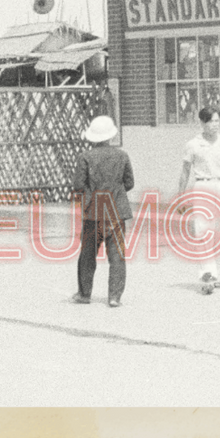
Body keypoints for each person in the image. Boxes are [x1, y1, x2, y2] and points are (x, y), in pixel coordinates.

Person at [177, 106, 220, 294]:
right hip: (202, 186)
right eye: (211, 121)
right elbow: (185, 171)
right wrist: (181, 195)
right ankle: (207, 273)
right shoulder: (193, 144)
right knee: (202, 230)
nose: (215, 125)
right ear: (202, 123)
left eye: (217, 121)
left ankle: (215, 273)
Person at [72, 115, 135, 307]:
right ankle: (114, 296)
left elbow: (78, 185)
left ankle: (84, 294)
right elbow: (130, 183)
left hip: (94, 211)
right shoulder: (122, 156)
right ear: (110, 136)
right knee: (117, 255)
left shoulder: (85, 157)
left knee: (88, 253)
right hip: (116, 210)